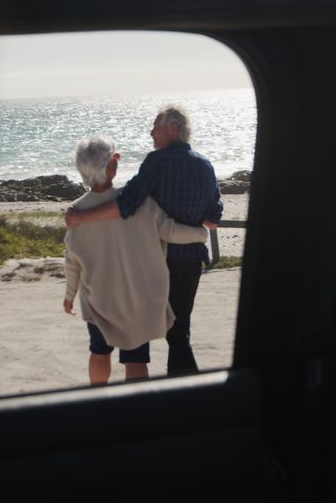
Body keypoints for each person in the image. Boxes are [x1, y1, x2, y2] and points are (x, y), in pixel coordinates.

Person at [66, 105, 223, 375]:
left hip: (127, 280)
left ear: (172, 128)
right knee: (167, 341)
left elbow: (126, 206)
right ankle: (168, 399)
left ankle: (109, 399)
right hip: (168, 275)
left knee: (117, 343)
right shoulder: (203, 166)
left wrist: (82, 217)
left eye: (155, 127)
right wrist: (198, 228)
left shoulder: (154, 162)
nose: (151, 132)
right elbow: (204, 219)